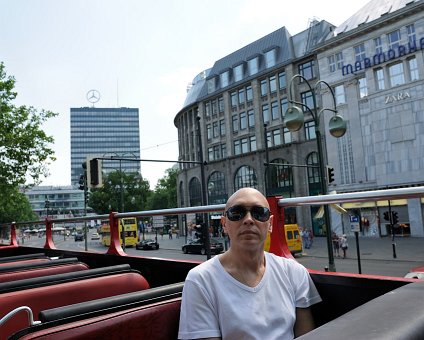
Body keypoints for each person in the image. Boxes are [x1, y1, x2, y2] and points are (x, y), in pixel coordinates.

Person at [178, 188, 322, 339]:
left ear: (270, 224)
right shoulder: (201, 280)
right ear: (224, 224)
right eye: (237, 213)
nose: (248, 219)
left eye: (259, 213)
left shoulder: (294, 272)